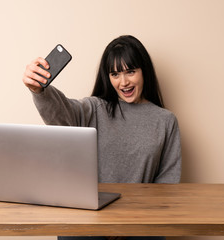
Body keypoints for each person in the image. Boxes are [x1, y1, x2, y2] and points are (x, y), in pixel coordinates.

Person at [22, 35, 181, 240]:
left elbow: (167, 186)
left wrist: (132, 224)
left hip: (141, 222)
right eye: (115, 74)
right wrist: (39, 90)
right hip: (90, 219)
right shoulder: (95, 108)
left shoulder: (166, 121)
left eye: (130, 71)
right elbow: (62, 113)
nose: (123, 82)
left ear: (144, 71)